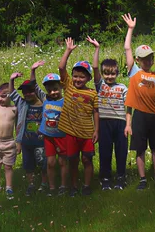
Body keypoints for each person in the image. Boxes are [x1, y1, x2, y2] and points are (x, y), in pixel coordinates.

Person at [122, 13, 155, 190]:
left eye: (150, 58)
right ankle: (142, 179)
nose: (148, 61)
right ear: (137, 60)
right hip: (139, 116)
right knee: (140, 149)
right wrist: (130, 29)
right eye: (144, 58)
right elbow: (127, 48)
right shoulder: (134, 72)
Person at [57, 38, 99, 196]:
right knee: (73, 161)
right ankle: (74, 186)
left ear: (88, 78)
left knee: (87, 160)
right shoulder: (68, 86)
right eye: (75, 76)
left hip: (87, 133)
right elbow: (61, 67)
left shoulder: (92, 93)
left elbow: (96, 112)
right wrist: (68, 50)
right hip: (71, 133)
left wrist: (97, 130)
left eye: (82, 77)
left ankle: (87, 186)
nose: (78, 79)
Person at [87, 36, 129, 191]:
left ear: (117, 73)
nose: (109, 77)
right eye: (107, 74)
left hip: (120, 122)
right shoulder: (100, 86)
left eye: (112, 74)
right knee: (105, 152)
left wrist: (128, 125)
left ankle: (120, 178)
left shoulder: (123, 88)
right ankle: (105, 179)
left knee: (121, 152)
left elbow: (129, 107)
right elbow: (95, 68)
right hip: (104, 122)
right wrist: (97, 48)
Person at [8, 61, 49, 196]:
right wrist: (11, 80)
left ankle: (44, 184)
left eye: (30, 91)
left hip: (41, 140)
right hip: (26, 141)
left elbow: (35, 85)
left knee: (43, 163)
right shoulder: (22, 103)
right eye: (25, 92)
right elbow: (12, 93)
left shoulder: (44, 102)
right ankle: (31, 185)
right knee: (28, 164)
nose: (27, 94)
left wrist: (33, 70)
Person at [39, 72, 66, 196]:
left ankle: (63, 186)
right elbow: (35, 87)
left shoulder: (65, 101)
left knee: (62, 162)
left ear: (60, 87)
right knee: (50, 162)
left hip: (61, 136)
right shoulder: (45, 99)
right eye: (49, 90)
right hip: (48, 137)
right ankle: (51, 187)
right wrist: (33, 70)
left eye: (55, 89)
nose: (52, 93)